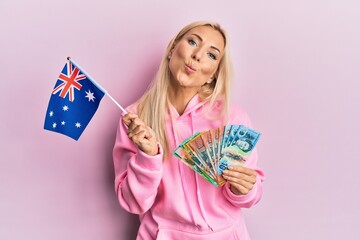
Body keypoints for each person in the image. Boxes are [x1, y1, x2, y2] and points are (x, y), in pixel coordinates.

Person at [113, 21, 265, 240]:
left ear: (213, 74)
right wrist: (148, 156)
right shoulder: (135, 119)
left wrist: (245, 188)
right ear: (173, 48)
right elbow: (133, 202)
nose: (197, 56)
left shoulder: (232, 118)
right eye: (193, 41)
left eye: (212, 55)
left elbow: (252, 195)